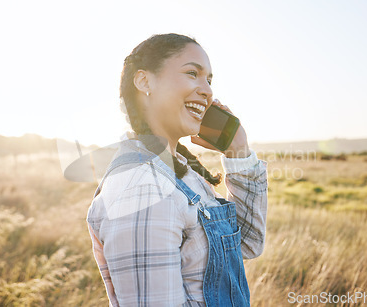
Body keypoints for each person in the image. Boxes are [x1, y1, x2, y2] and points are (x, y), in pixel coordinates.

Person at [86, 33, 268, 306]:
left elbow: (248, 243)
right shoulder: (142, 189)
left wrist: (238, 151)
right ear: (144, 81)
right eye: (192, 73)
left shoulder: (179, 173)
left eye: (209, 80)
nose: (207, 90)